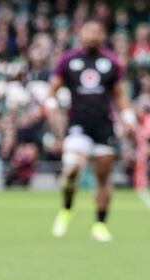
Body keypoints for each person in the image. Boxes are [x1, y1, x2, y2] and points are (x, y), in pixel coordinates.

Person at [45, 19, 136, 242]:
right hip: (78, 124)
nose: (93, 36)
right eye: (89, 31)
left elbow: (119, 93)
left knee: (103, 178)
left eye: (97, 32)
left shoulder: (111, 62)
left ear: (103, 35)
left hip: (104, 125)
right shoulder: (69, 60)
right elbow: (53, 87)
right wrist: (51, 104)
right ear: (81, 34)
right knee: (72, 169)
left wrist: (127, 116)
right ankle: (67, 208)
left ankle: (100, 224)